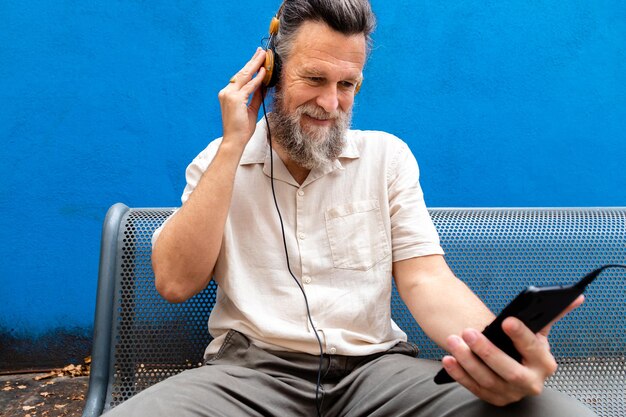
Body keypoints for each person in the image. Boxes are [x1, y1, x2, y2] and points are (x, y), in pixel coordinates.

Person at [106, 1, 597, 416]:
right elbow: (174, 282)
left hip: (375, 374)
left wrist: (491, 353)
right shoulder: (217, 163)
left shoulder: (387, 157)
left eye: (348, 85)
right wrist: (235, 142)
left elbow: (427, 279)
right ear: (270, 75)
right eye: (314, 78)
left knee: (553, 413)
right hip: (248, 377)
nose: (330, 101)